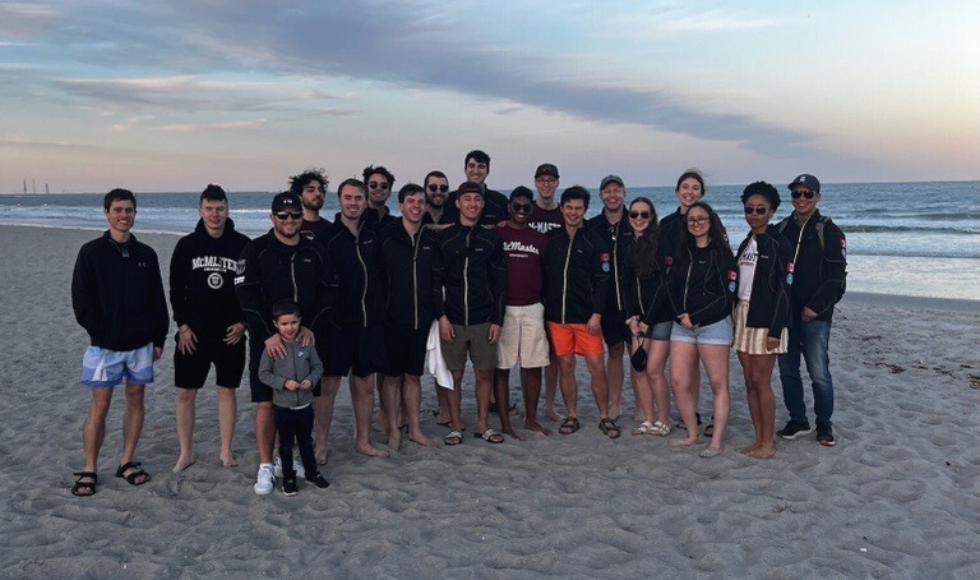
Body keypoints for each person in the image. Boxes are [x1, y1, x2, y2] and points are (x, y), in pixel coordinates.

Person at [236, 191, 336, 495]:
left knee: (301, 402)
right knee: (267, 403)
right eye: (283, 215)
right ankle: (266, 465)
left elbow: (329, 290)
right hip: (268, 342)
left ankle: (288, 459)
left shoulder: (315, 251)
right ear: (272, 218)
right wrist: (268, 333)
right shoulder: (255, 250)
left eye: (295, 215)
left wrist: (310, 327)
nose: (290, 221)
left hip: (304, 340)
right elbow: (245, 295)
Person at [70, 188, 169, 496]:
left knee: (136, 399)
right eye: (118, 210)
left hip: (140, 344)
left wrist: (159, 337)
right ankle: (90, 467)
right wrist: (101, 333)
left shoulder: (146, 254)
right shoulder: (91, 252)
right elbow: (81, 300)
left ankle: (127, 461)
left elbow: (157, 299)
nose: (123, 215)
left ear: (135, 214)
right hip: (104, 346)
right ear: (107, 213)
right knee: (100, 405)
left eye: (128, 210)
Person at [169, 184, 250, 473]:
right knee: (185, 393)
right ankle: (186, 452)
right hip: (194, 333)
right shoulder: (187, 245)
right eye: (209, 209)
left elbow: (250, 290)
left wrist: (243, 323)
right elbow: (177, 289)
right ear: (200, 210)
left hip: (231, 333)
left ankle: (225, 451)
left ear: (228, 210)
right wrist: (183, 325)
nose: (215, 215)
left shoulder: (242, 244)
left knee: (227, 391)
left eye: (220, 209)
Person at [315, 178, 390, 459]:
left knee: (365, 386)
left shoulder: (374, 234)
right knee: (328, 387)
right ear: (340, 200)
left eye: (359, 198)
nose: (354, 203)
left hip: (369, 322)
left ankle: (363, 440)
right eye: (348, 198)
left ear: (365, 200)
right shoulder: (327, 237)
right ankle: (321, 443)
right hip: (336, 325)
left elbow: (383, 274)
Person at [776, 174, 847, 447]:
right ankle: (797, 419)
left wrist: (815, 307)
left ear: (818, 196)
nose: (802, 199)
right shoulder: (781, 229)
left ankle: (823, 423)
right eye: (797, 193)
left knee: (819, 372)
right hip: (785, 316)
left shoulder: (829, 231)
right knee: (787, 371)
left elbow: (837, 278)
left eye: (808, 193)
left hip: (816, 316)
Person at [435, 181, 507, 445]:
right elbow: (434, 281)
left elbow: (500, 284)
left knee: (484, 373)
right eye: (467, 199)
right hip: (452, 319)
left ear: (483, 203)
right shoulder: (446, 238)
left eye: (477, 199)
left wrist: (497, 320)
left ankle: (483, 425)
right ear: (457, 203)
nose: (472, 204)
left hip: (483, 318)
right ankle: (455, 425)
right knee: (454, 374)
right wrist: (440, 316)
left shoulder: (491, 240)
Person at [544, 186, 618, 439]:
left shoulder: (595, 240)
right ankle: (572, 414)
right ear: (562, 208)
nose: (573, 213)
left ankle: (604, 416)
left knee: (597, 366)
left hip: (587, 319)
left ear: (585, 210)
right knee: (566, 366)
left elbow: (603, 280)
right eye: (569, 208)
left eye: (579, 208)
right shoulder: (552, 239)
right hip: (558, 317)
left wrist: (597, 313)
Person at [666, 201, 736, 458]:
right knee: (677, 381)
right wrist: (680, 316)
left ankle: (715, 442)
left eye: (701, 218)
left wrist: (695, 317)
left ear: (711, 221)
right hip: (681, 327)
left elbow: (726, 297)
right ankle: (693, 434)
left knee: (718, 384)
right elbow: (670, 288)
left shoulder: (722, 254)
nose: (696, 223)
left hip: (713, 327)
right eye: (691, 219)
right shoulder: (682, 252)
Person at [379, 183, 441, 450]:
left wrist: (437, 314)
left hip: (421, 320)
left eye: (420, 202)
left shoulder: (430, 240)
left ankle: (414, 428)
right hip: (392, 319)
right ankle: (394, 429)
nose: (416, 207)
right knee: (392, 378)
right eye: (411, 202)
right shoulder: (387, 238)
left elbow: (436, 281)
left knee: (414, 377)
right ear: (401, 205)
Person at [734, 182, 793, 459]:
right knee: (748, 381)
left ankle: (768, 443)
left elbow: (785, 289)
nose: (754, 214)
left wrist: (775, 329)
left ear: (771, 212)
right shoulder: (747, 241)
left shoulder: (778, 242)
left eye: (760, 210)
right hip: (742, 315)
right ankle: (758, 439)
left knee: (761, 381)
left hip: (766, 319)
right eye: (749, 209)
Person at [257, 300, 330, 495]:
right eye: (284, 324)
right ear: (276, 325)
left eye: (293, 323)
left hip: (305, 404)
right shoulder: (272, 348)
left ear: (300, 322)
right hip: (284, 406)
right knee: (286, 444)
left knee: (306, 441)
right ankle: (288, 477)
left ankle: (312, 472)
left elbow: (318, 367)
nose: (289, 328)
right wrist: (283, 383)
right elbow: (263, 374)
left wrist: (311, 381)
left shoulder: (307, 344)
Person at [494, 186, 551, 435]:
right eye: (516, 206)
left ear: (531, 209)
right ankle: (505, 422)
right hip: (504, 308)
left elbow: (547, 274)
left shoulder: (540, 239)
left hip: (532, 307)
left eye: (526, 207)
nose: (521, 211)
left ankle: (531, 418)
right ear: (509, 207)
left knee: (533, 365)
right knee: (502, 366)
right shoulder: (497, 234)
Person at [659, 170, 708, 433]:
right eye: (685, 187)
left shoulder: (707, 221)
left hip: (698, 303)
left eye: (695, 188)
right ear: (677, 190)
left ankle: (694, 410)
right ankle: (670, 411)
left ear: (701, 193)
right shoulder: (666, 224)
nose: (690, 192)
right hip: (670, 300)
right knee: (671, 363)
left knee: (694, 361)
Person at [622, 197, 673, 437]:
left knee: (654, 370)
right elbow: (627, 287)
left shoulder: (661, 245)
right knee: (639, 367)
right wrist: (631, 318)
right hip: (637, 320)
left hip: (660, 318)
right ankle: (648, 418)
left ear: (651, 217)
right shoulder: (629, 248)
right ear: (629, 218)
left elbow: (664, 287)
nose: (639, 219)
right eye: (634, 215)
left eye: (644, 214)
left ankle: (663, 419)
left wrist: (647, 320)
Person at [586, 175, 634, 421]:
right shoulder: (592, 226)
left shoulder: (636, 221)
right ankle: (615, 404)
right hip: (606, 304)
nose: (612, 195)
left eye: (617, 190)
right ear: (601, 195)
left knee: (637, 354)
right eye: (607, 191)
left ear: (624, 193)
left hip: (634, 302)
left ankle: (643, 407)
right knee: (614, 352)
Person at [528, 163, 565, 424]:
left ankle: (550, 406)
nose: (546, 185)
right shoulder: (525, 210)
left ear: (557, 183)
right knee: (528, 352)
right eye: (542, 180)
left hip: (555, 291)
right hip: (528, 290)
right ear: (535, 183)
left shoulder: (564, 213)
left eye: (550, 180)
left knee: (553, 353)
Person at [441, 150, 509, 227]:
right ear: (465, 170)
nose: (476, 171)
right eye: (472, 166)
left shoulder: (500, 202)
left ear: (487, 171)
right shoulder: (449, 200)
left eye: (481, 166)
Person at [291, 168, 331, 240]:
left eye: (320, 190)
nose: (318, 194)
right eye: (310, 190)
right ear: (299, 197)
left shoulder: (330, 229)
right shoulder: (291, 227)